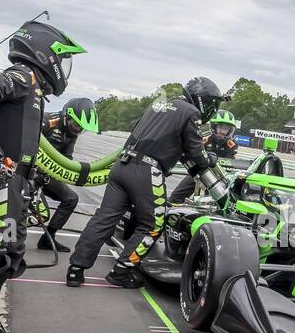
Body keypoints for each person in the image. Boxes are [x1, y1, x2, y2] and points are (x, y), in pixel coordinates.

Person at [0, 19, 86, 333]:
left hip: (17, 185)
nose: (64, 69)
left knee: (11, 258)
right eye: (63, 60)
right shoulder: (20, 76)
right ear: (46, 54)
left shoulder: (34, 89)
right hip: (0, 184)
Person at [66, 77, 219, 289]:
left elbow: (140, 129)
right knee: (153, 224)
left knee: (104, 218)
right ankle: (122, 270)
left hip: (122, 165)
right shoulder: (190, 112)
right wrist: (210, 158)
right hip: (147, 169)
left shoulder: (158, 104)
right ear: (203, 100)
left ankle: (75, 269)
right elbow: (197, 153)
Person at [34, 96, 97, 251]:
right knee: (39, 213)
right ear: (66, 115)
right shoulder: (47, 121)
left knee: (71, 199)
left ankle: (48, 238)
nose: (77, 129)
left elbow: (67, 159)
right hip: (29, 173)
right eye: (75, 124)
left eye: (80, 128)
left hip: (47, 175)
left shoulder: (71, 135)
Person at [167, 108, 239, 204]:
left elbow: (231, 164)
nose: (222, 131)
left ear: (230, 131)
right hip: (199, 170)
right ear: (214, 127)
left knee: (219, 200)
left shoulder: (232, 144)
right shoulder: (203, 138)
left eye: (226, 129)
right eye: (221, 127)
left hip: (220, 176)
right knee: (176, 196)